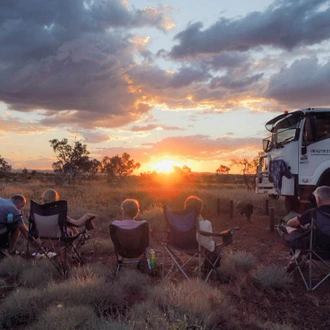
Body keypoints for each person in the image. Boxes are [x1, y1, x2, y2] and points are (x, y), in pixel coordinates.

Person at [282, 186, 330, 271]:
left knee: (289, 229)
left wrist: (303, 226)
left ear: (318, 199)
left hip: (316, 251)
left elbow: (291, 223)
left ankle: (297, 258)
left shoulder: (313, 213)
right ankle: (297, 257)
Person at [183, 195, 222, 271]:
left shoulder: (181, 221)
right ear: (199, 209)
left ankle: (206, 267)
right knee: (215, 250)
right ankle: (208, 271)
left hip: (181, 246)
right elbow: (207, 242)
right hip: (196, 248)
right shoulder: (205, 224)